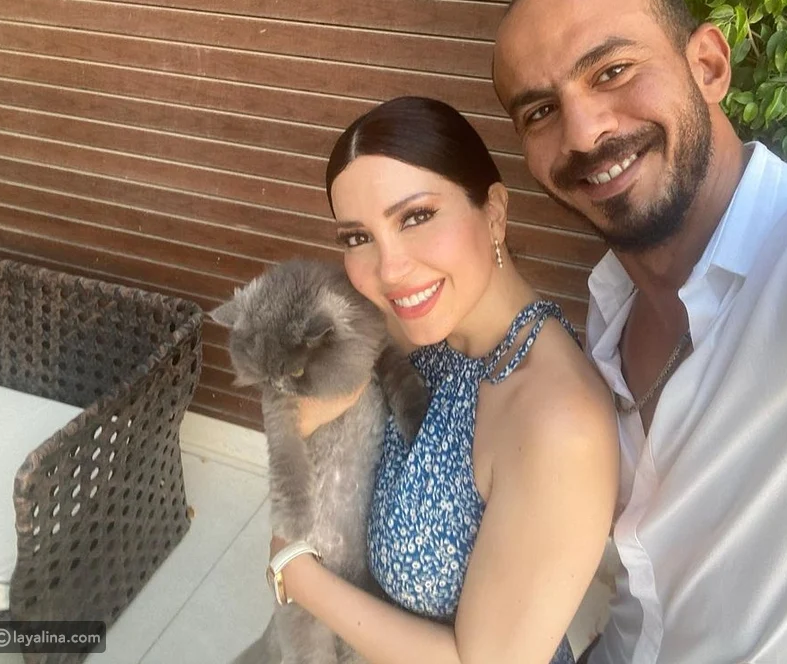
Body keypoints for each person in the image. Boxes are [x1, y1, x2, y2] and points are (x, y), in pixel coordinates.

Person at [491, 0, 787, 664]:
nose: (582, 133)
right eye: (540, 111)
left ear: (708, 65)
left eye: (612, 71)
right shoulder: (608, 313)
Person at [266, 96, 620, 664]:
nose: (390, 269)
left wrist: (297, 573)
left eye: (416, 217)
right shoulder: (429, 327)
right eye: (357, 237)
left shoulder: (559, 424)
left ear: (494, 213)